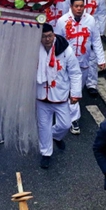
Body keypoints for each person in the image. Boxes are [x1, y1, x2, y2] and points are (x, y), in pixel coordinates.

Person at [55, 0, 105, 135]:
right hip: (66, 64)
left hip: (84, 61)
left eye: (81, 6)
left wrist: (101, 59)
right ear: (71, 7)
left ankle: (66, 112)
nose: (79, 9)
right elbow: (57, 43)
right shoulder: (62, 21)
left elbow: (96, 40)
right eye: (76, 6)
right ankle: (73, 119)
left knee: (76, 91)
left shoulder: (90, 21)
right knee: (70, 89)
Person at [35, 24, 81, 169]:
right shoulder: (35, 50)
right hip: (41, 95)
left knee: (65, 124)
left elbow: (75, 73)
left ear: (54, 35)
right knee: (43, 126)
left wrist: (75, 93)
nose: (47, 39)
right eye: (44, 36)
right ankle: (46, 153)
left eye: (50, 36)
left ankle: (55, 136)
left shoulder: (65, 50)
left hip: (60, 94)